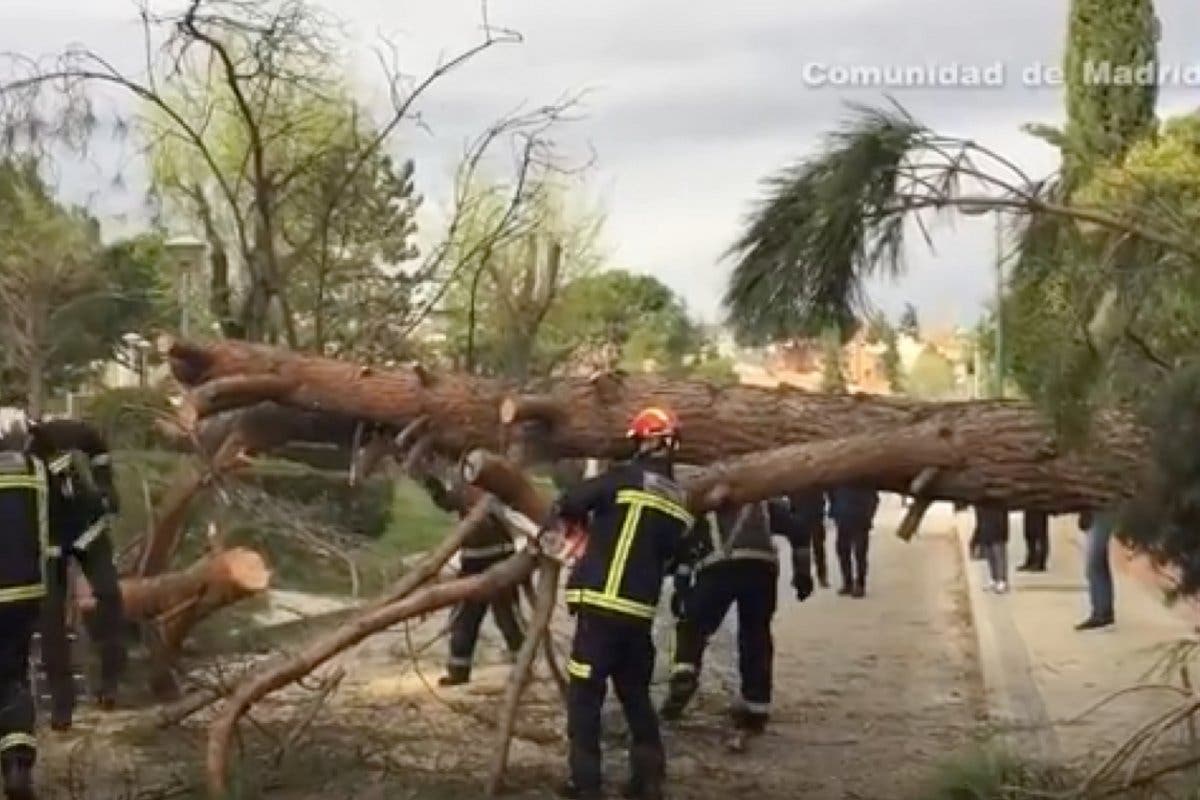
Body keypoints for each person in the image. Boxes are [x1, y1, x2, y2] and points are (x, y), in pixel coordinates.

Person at [550, 407, 695, 800]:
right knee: (635, 696)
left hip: (600, 607)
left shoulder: (623, 480)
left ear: (646, 442)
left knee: (584, 697)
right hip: (639, 616)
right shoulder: (680, 502)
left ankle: (586, 784)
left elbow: (570, 501)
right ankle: (648, 780)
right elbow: (680, 554)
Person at [659, 496, 813, 733]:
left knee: (692, 626)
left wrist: (682, 590)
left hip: (717, 568)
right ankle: (756, 706)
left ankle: (684, 670)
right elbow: (800, 531)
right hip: (762, 570)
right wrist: (802, 573)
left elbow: (685, 552)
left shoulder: (705, 504)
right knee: (756, 636)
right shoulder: (764, 502)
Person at [0, 419, 78, 799]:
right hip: (25, 591)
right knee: (14, 676)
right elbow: (67, 507)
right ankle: (16, 764)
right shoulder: (36, 469)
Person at [30, 419, 125, 729]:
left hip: (89, 529)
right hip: (46, 543)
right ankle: (62, 704)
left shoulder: (64, 432)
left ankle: (110, 682)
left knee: (108, 595)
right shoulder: (13, 460)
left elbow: (96, 445)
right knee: (49, 619)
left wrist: (105, 483)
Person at [423, 474, 525, 686]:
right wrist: (432, 483)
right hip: (473, 560)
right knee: (465, 618)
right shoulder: (462, 482)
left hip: (500, 557)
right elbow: (447, 502)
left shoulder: (497, 485)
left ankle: (523, 666)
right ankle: (459, 670)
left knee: (508, 617)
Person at [827, 486, 879, 597]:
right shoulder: (838, 479)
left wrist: (868, 516)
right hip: (843, 520)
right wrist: (835, 513)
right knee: (842, 551)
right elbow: (831, 495)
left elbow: (874, 499)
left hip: (860, 520)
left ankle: (860, 584)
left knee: (860, 553)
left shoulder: (864, 479)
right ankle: (847, 582)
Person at [1076, 509, 1115, 630]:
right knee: (1099, 563)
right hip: (1097, 510)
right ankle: (1103, 610)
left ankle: (1100, 612)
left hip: (1103, 510)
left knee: (1094, 563)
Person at [789, 488, 828, 588]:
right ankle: (819, 577)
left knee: (807, 548)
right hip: (808, 515)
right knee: (810, 548)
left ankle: (815, 576)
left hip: (808, 515)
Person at [974, 504, 1010, 593]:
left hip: (997, 530)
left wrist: (1003, 532)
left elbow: (1002, 517)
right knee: (990, 556)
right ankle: (994, 578)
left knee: (998, 555)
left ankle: (1002, 580)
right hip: (986, 529)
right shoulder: (979, 503)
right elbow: (979, 519)